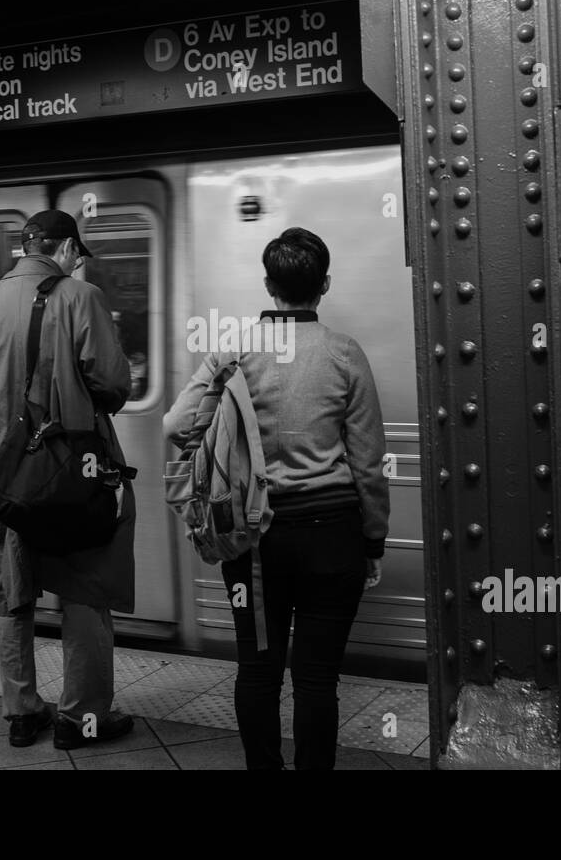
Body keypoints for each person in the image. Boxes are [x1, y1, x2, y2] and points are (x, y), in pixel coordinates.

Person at [164, 227, 390, 770]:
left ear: (269, 285)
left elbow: (176, 424)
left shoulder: (233, 348)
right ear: (325, 285)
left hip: (253, 541)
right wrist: (373, 540)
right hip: (334, 537)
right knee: (318, 678)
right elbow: (368, 461)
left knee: (258, 668)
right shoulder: (345, 354)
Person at [0, 209, 136, 750]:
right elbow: (114, 383)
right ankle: (81, 717)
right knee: (84, 583)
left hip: (4, 477)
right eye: (79, 253)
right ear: (64, 249)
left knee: (11, 586)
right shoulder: (82, 298)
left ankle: (22, 708)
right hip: (71, 478)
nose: (80, 263)